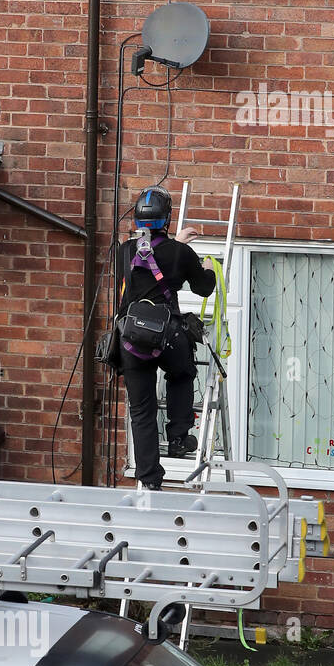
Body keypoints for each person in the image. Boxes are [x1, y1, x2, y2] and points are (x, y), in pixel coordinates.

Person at [119, 186, 217, 490]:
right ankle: (177, 438)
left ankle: (148, 479)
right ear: (167, 219)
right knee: (183, 371)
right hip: (167, 338)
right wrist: (208, 269)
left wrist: (175, 245)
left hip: (131, 340)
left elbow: (148, 258)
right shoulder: (180, 253)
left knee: (141, 409)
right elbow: (204, 288)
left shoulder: (124, 251)